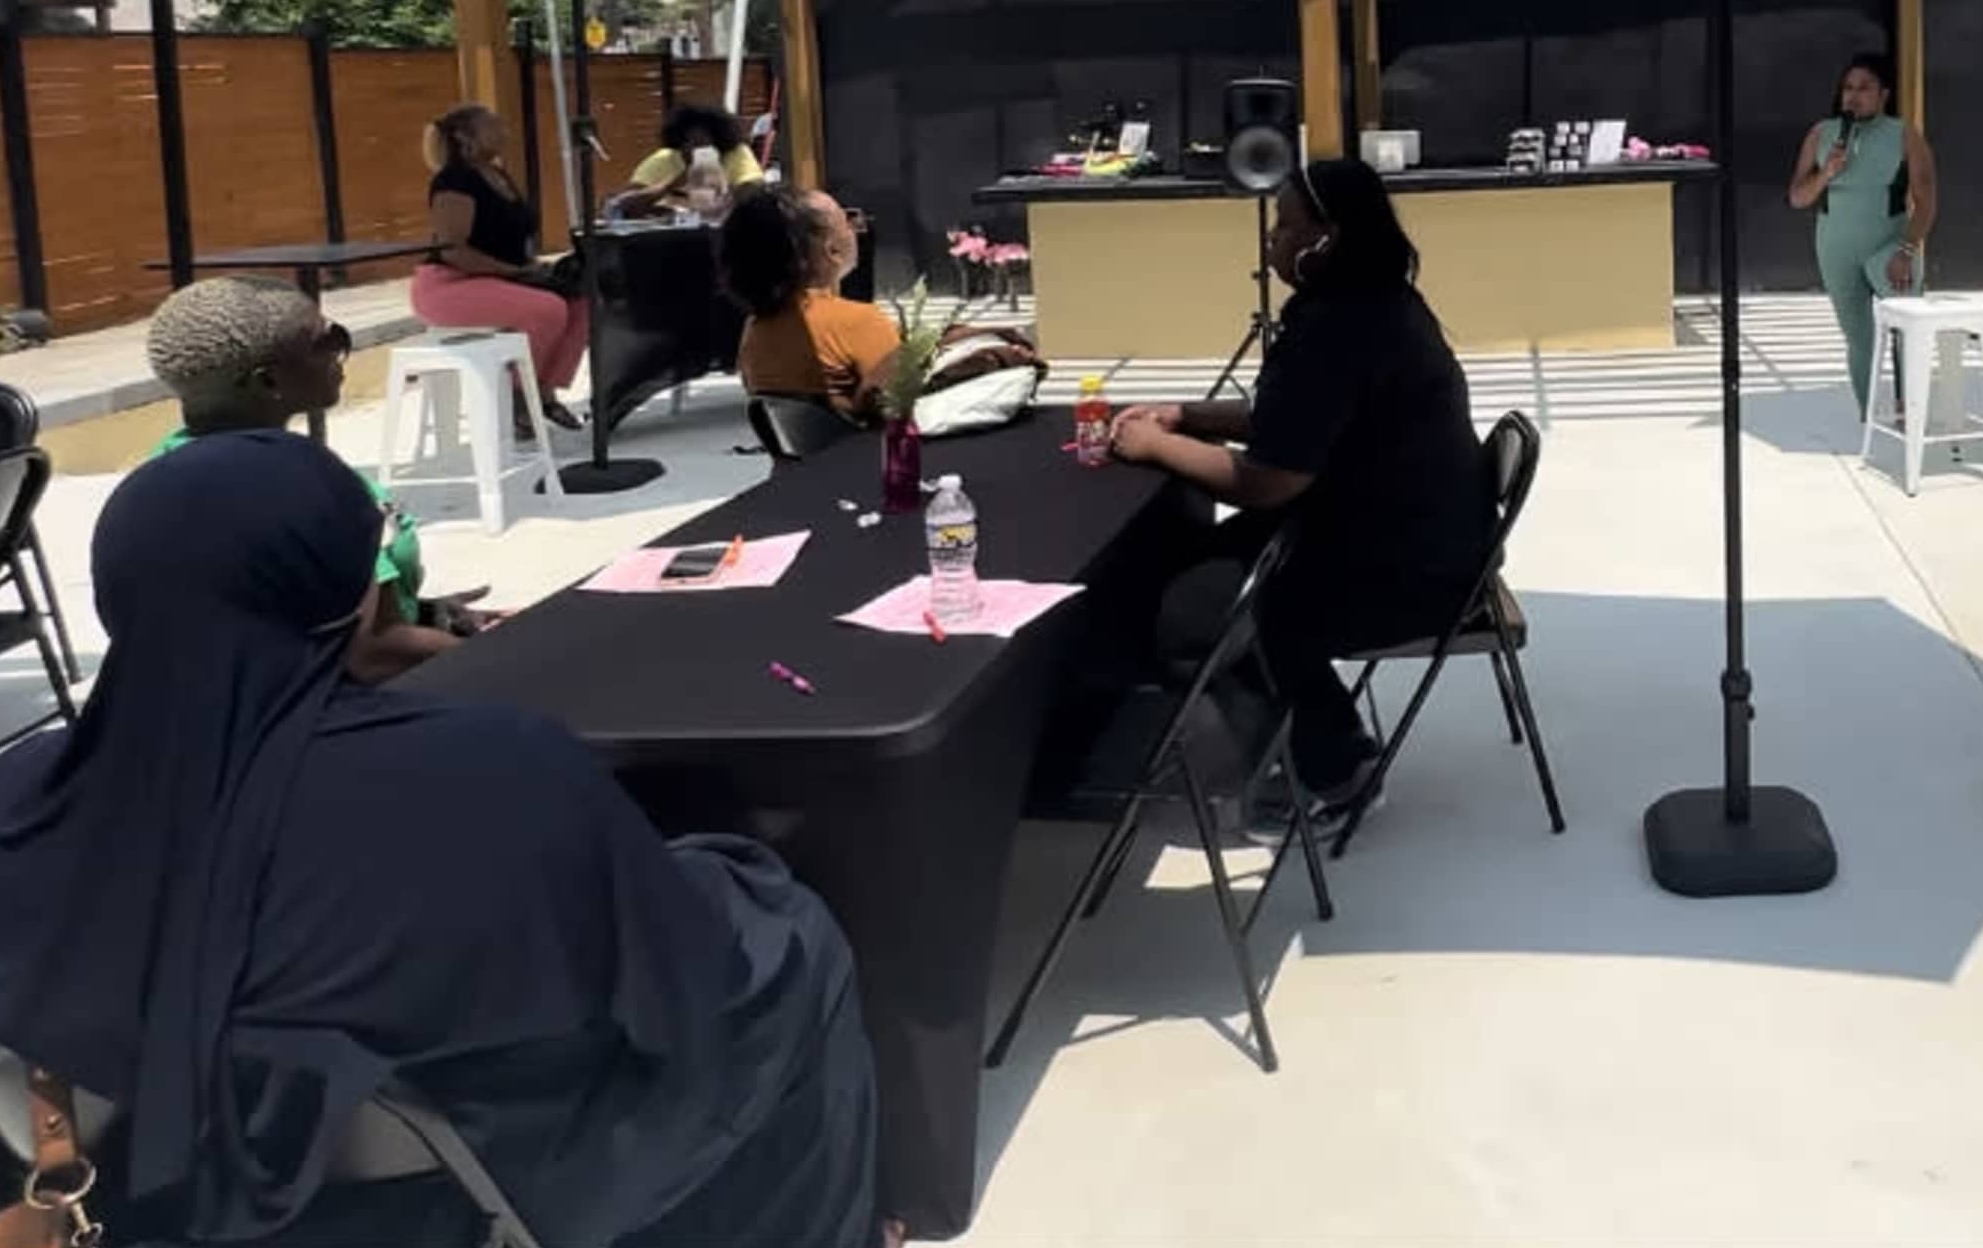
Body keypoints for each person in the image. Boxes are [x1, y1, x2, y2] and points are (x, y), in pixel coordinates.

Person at [0, 430, 881, 1248]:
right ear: (340, 589)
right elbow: (679, 997)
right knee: (782, 931)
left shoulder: (10, 797)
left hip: (143, 1192)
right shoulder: (491, 770)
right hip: (464, 1198)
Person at [1110, 157, 1489, 818]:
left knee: (1197, 613)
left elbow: (1270, 480)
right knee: (1188, 567)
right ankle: (1303, 733)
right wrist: (1188, 414)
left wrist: (1155, 445)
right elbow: (1298, 421)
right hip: (1407, 531)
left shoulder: (1344, 327)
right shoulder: (1374, 302)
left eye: (1286, 225)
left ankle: (1334, 766)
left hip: (1413, 572)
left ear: (1327, 237)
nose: (1272, 239)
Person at [141, 276, 494, 683]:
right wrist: (497, 650)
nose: (341, 354)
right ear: (267, 382)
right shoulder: (313, 490)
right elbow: (370, 653)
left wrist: (417, 608)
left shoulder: (157, 479)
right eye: (327, 343)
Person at [725, 184, 1037, 425]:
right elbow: (899, 400)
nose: (856, 227)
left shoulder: (756, 328)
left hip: (793, 476)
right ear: (833, 250)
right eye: (847, 220)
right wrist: (994, 357)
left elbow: (910, 343)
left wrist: (985, 330)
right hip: (865, 470)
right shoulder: (856, 321)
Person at [408, 103, 588, 433]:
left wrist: (533, 268)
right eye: (493, 126)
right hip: (450, 286)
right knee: (546, 309)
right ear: (465, 136)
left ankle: (543, 393)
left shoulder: (498, 174)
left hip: (497, 278)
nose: (504, 131)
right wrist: (516, 273)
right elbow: (454, 251)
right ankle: (517, 397)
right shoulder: (455, 181)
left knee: (580, 301)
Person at [1788, 51, 1940, 413]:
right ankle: (1867, 415)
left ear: (1884, 93)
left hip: (1890, 247)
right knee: (1858, 337)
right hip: (1836, 249)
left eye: (1864, 88)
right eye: (1848, 88)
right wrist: (1827, 173)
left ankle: (1910, 409)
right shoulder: (1821, 134)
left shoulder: (1903, 135)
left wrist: (1906, 251)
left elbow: (1927, 200)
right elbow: (1797, 197)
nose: (1853, 96)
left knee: (1907, 331)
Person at [619, 102, 762, 222]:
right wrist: (675, 182)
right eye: (691, 142)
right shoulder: (664, 159)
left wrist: (724, 192)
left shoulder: (736, 154)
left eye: (704, 143)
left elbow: (756, 191)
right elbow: (622, 207)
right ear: (679, 142)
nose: (696, 149)